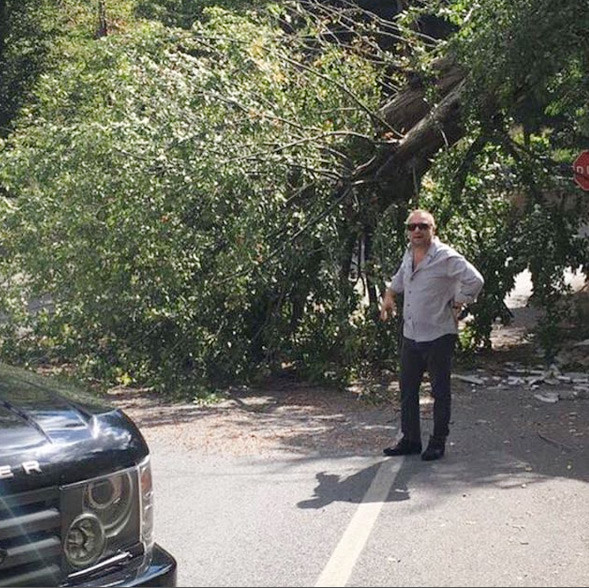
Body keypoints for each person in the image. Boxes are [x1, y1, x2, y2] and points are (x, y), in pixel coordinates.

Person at [380, 209, 484, 461]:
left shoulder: (446, 257)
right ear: (407, 231)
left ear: (432, 229)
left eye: (423, 226)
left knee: (439, 392)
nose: (417, 230)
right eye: (412, 226)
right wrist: (390, 296)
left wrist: (459, 301)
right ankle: (411, 440)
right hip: (411, 335)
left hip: (438, 335)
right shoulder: (409, 254)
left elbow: (475, 280)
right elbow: (400, 281)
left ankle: (437, 442)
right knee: (407, 390)